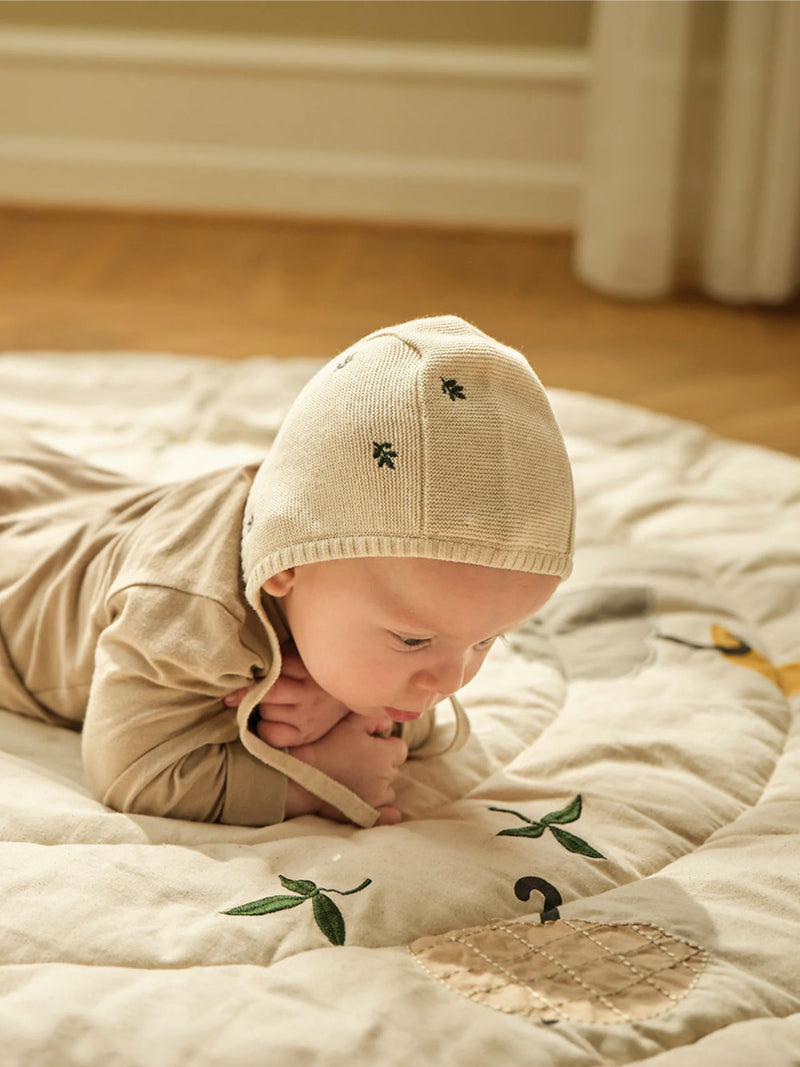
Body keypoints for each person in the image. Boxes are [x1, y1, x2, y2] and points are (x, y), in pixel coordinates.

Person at [0, 316, 574, 827]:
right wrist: (315, 780)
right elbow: (134, 772)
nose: (450, 681)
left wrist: (342, 700)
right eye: (412, 640)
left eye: (486, 640)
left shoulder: (339, 553)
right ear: (287, 566)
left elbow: (418, 715)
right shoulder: (190, 611)